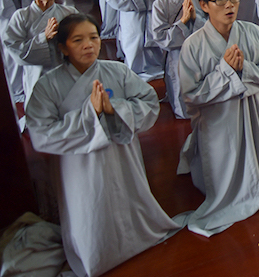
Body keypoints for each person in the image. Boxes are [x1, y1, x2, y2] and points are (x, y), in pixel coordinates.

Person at [26, 14, 183, 276]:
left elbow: (148, 103)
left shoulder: (117, 71)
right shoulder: (47, 86)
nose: (89, 44)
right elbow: (41, 133)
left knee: (125, 194)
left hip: (121, 155)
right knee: (89, 207)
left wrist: (115, 110)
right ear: (63, 47)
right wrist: (90, 116)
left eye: (94, 37)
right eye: (78, 40)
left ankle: (135, 239)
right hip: (78, 165)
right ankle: (95, 253)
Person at [178, 0, 259, 236]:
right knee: (222, 169)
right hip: (216, 122)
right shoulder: (193, 45)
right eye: (220, 0)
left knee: (257, 158)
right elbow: (190, 95)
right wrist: (226, 72)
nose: (229, 4)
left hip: (252, 113)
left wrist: (244, 68)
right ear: (204, 5)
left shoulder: (253, 32)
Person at [4, 0, 77, 104]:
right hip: (37, 75)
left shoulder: (70, 12)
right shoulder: (21, 16)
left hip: (66, 73)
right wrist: (44, 38)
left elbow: (82, 42)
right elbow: (15, 50)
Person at [150, 0, 205, 119]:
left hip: (199, 50)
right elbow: (160, 36)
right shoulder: (160, 4)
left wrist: (195, 19)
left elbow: (211, 25)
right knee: (180, 88)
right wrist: (182, 22)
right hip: (176, 54)